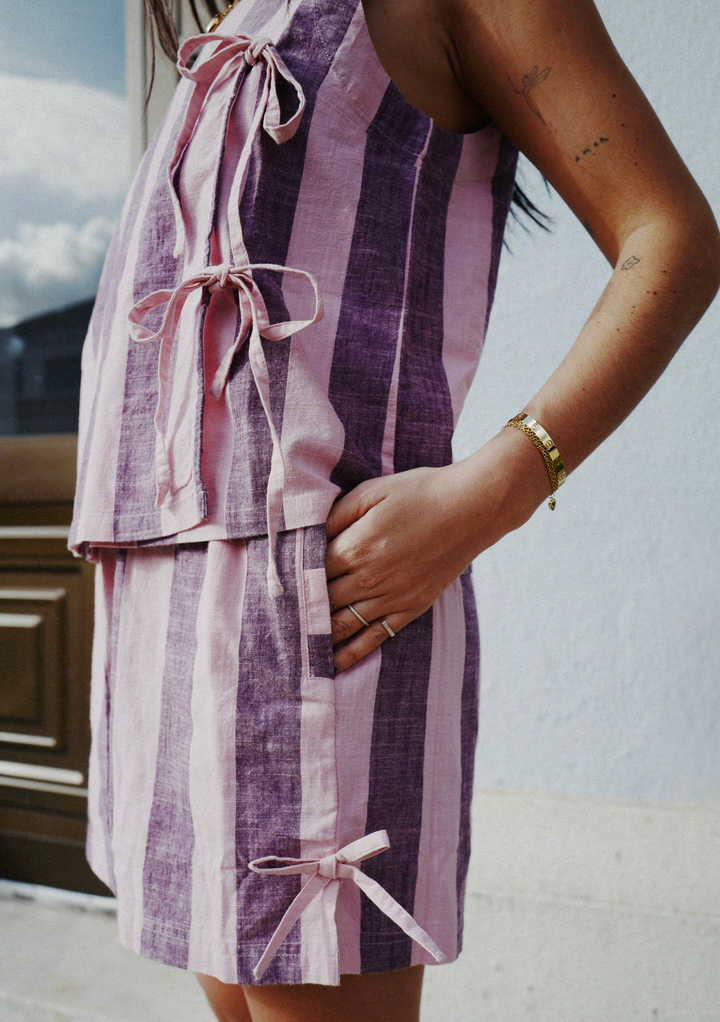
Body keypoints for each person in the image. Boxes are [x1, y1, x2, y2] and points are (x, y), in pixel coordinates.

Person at [69, 0, 719, 1019]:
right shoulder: (237, 20)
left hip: (322, 607)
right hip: (172, 617)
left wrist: (494, 488)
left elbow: (670, 234)